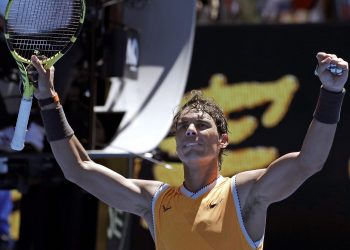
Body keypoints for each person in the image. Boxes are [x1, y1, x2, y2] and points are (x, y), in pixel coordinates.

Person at [30, 51, 348, 250]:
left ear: (223, 140)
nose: (190, 130)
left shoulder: (244, 195)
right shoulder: (153, 201)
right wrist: (48, 99)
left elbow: (309, 162)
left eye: (201, 125)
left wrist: (331, 93)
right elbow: (77, 169)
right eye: (183, 127)